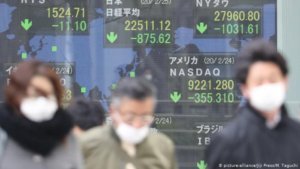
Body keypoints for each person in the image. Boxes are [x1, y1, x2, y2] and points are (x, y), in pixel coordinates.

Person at [205, 40, 300, 168]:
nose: (267, 87)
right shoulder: (226, 143)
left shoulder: (297, 136)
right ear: (245, 88)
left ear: (285, 81)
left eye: (272, 80)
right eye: (259, 82)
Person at [80, 78, 178, 169]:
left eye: (145, 117)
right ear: (113, 112)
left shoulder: (163, 147)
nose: (137, 124)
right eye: (130, 118)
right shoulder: (88, 144)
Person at [0, 60, 83, 169]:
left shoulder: (67, 136)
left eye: (48, 95)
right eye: (35, 95)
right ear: (17, 96)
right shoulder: (4, 135)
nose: (42, 101)